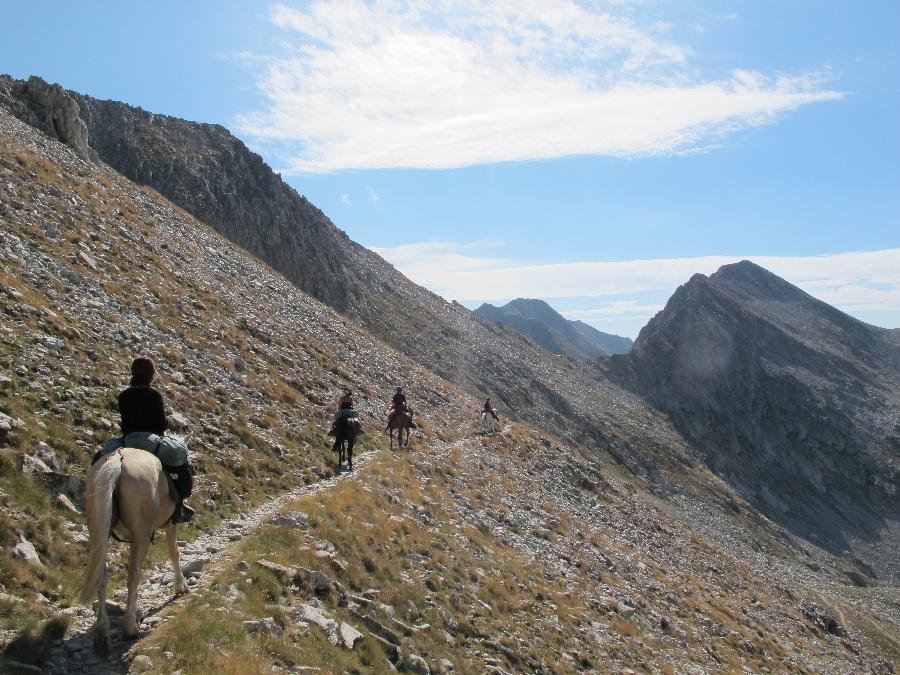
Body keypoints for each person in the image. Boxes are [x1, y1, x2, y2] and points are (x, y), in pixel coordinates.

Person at [118, 357, 195, 524]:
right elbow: (160, 424)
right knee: (181, 454)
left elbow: (124, 423)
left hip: (127, 441)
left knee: (101, 457)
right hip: (151, 441)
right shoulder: (154, 395)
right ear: (150, 376)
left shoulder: (123, 396)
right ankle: (180, 503)